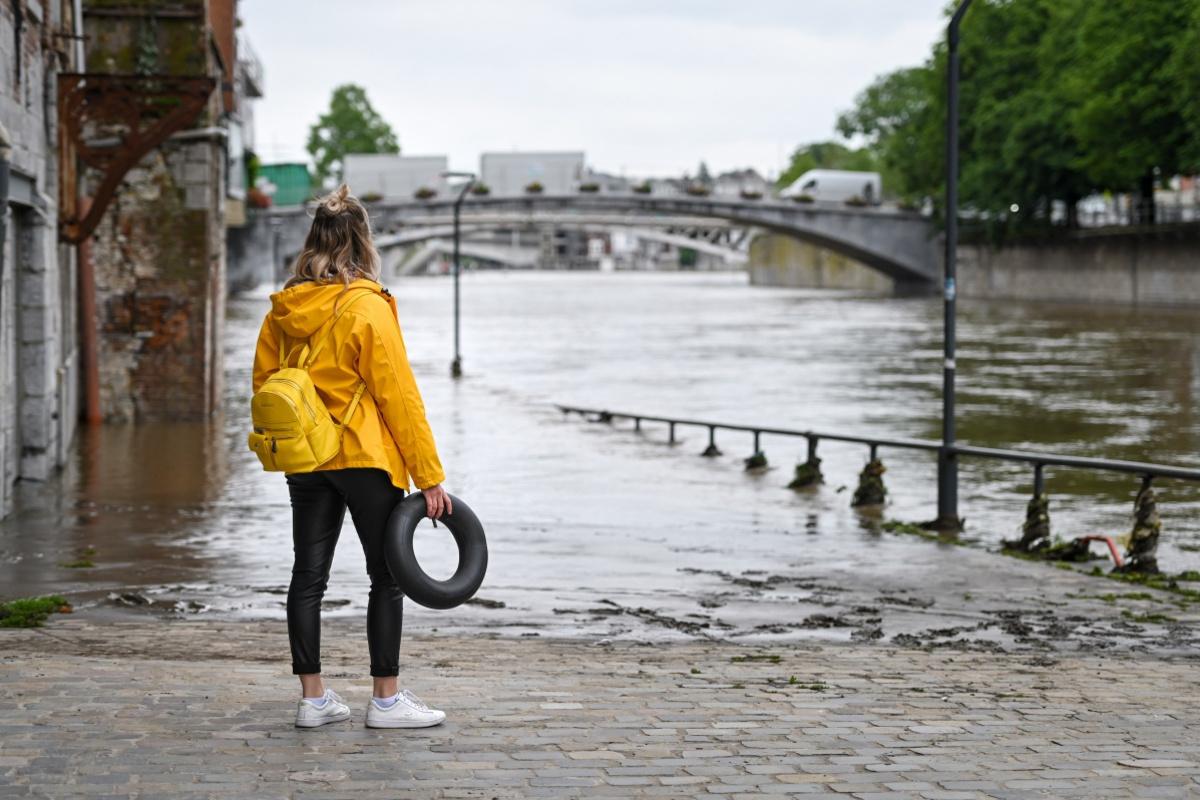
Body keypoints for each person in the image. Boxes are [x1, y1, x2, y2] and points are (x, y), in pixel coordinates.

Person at [252, 184, 452, 729]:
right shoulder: (368, 306)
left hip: (307, 456)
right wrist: (429, 476)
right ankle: (385, 700)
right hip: (365, 457)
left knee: (307, 577)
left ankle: (312, 699)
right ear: (363, 242)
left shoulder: (283, 308)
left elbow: (265, 386)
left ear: (312, 239)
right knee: (385, 577)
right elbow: (399, 396)